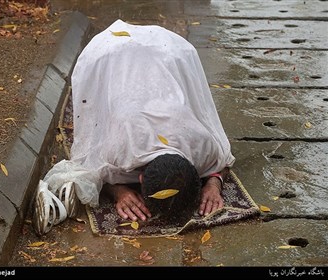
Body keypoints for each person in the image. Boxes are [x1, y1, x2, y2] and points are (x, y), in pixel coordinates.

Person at [33, 19, 235, 236]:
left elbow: (222, 158)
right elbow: (90, 165)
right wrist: (117, 190)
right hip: (109, 49)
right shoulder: (117, 148)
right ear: (139, 178)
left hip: (168, 49)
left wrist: (214, 184)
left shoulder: (201, 143)